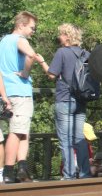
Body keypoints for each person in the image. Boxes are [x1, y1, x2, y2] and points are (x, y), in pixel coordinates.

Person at [0, 11, 47, 183]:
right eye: (32, 28)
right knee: (16, 132)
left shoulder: (3, 41)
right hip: (19, 90)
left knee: (23, 132)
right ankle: (8, 172)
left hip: (7, 90)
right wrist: (26, 73)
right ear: (21, 25)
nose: (33, 32)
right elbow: (31, 55)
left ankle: (22, 169)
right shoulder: (19, 40)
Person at [45, 23, 91, 180]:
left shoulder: (62, 52)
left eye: (61, 34)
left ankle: (69, 175)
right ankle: (85, 173)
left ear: (67, 36)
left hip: (64, 99)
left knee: (65, 140)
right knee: (79, 138)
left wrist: (41, 62)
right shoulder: (86, 54)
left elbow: (52, 74)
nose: (59, 37)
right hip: (81, 101)